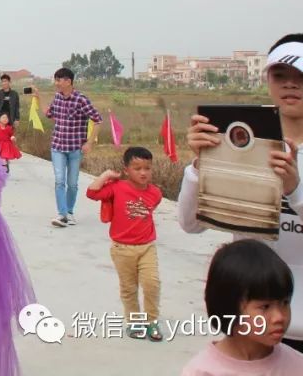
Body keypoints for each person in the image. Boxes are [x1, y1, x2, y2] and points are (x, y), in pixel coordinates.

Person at [180, 34, 303, 352]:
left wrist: (295, 190)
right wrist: (199, 166)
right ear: (268, 80)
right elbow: (191, 224)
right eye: (281, 76)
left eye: (301, 76)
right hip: (251, 324)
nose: (291, 84)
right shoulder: (241, 137)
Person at [181, 240, 303, 374]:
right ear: (228, 307)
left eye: (285, 303)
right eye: (265, 306)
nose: (279, 316)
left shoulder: (297, 365)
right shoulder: (201, 371)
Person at [86, 146, 163, 341]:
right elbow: (92, 193)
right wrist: (106, 175)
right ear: (126, 169)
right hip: (122, 249)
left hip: (147, 247)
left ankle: (152, 321)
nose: (143, 172)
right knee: (129, 288)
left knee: (152, 284)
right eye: (137, 168)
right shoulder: (117, 188)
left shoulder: (156, 193)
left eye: (147, 168)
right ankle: (135, 322)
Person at [32, 67, 102, 228]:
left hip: (75, 148)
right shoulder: (57, 97)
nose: (56, 83)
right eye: (56, 80)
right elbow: (49, 114)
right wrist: (39, 98)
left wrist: (89, 142)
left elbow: (98, 120)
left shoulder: (81, 100)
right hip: (57, 146)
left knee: (72, 183)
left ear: (68, 81)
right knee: (59, 181)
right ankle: (62, 214)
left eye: (59, 80)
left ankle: (69, 212)